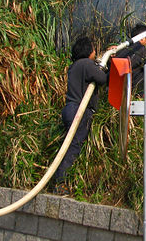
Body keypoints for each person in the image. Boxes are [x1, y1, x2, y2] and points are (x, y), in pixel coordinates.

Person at [53, 36, 107, 195]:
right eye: (93, 49)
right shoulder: (87, 64)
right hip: (80, 112)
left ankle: (62, 179)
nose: (95, 52)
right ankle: (60, 183)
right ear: (88, 51)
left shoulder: (76, 65)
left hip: (70, 109)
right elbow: (103, 79)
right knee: (74, 146)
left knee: (69, 145)